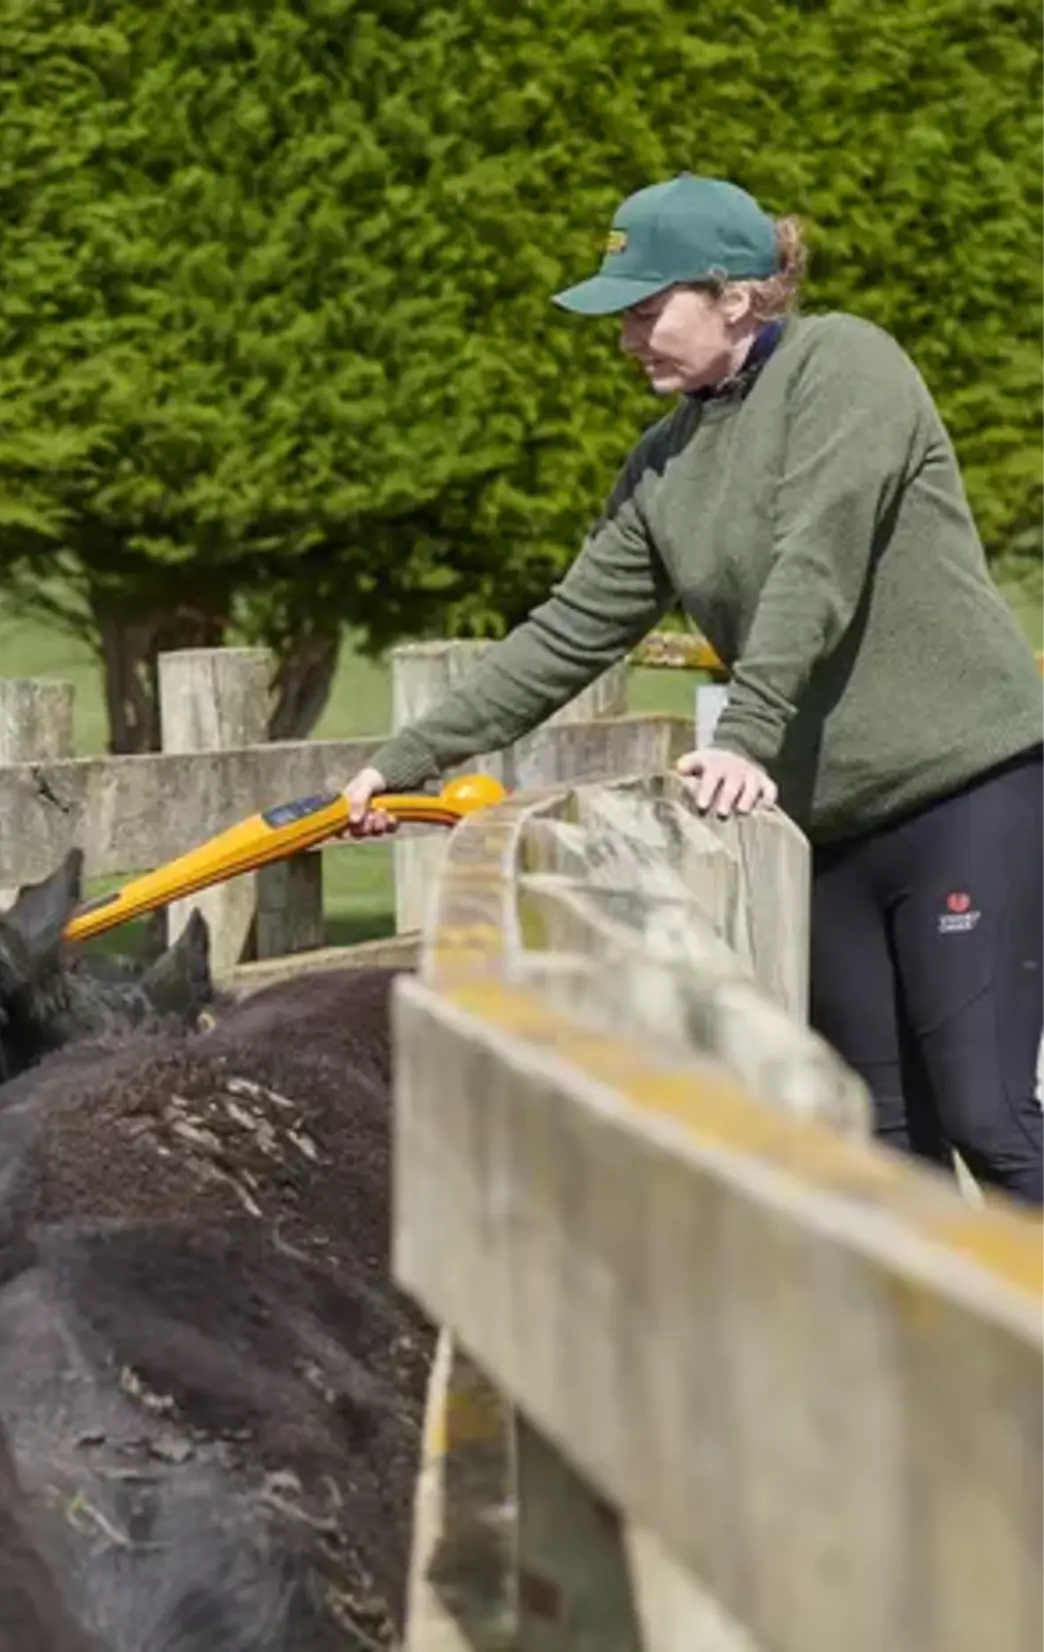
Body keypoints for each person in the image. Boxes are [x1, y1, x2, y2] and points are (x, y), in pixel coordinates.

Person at [343, 170, 1044, 1206]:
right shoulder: (661, 466)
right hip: (829, 833)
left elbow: (819, 552)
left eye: (642, 311)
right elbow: (567, 631)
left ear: (733, 294)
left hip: (965, 795)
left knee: (988, 1116)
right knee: (878, 1145)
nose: (626, 339)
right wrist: (401, 758)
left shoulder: (844, 365)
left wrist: (745, 731)